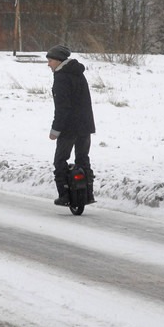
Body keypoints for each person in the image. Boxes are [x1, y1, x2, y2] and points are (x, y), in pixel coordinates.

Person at [46, 45, 96, 206]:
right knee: (83, 159)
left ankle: (65, 195)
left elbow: (62, 108)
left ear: (59, 61)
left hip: (68, 128)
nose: (48, 64)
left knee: (60, 160)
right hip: (85, 126)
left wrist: (55, 130)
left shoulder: (61, 78)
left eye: (50, 61)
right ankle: (88, 195)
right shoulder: (78, 74)